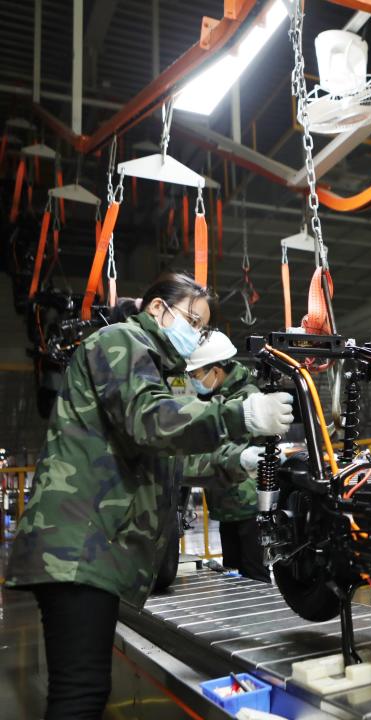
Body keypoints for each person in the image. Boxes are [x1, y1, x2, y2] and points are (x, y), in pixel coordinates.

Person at [5, 272, 294, 720]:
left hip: (90, 551)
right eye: (192, 321)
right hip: (78, 548)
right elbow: (152, 420)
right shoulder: (119, 342)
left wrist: (239, 461)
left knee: (86, 690)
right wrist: (241, 414)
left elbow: (172, 461)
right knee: (79, 694)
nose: (196, 335)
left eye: (203, 329)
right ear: (157, 308)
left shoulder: (154, 367)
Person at [182, 331, 270, 582]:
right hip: (229, 502)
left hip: (246, 504)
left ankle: (263, 619)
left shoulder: (245, 398)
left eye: (196, 375)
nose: (193, 381)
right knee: (234, 574)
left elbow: (225, 447)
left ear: (217, 371)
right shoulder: (222, 398)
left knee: (253, 574)